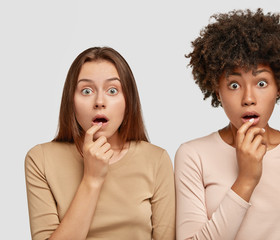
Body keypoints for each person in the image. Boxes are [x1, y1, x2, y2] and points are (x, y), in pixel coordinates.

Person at [175, 9, 280, 240]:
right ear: (217, 91)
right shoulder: (193, 155)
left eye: (261, 82)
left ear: (279, 87)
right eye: (234, 85)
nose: (248, 98)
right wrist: (246, 179)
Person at [25, 47, 175, 240]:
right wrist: (92, 179)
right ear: (71, 100)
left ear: (128, 100)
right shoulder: (41, 159)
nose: (99, 102)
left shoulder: (156, 159)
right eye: (86, 91)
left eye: (112, 90)